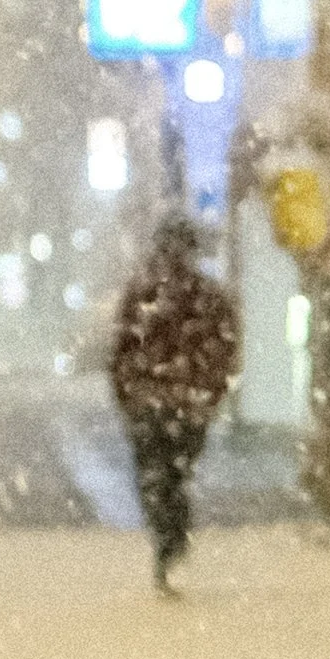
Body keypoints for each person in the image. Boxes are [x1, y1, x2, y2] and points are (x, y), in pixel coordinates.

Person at [108, 214, 238, 591]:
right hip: (184, 403)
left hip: (154, 402)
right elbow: (222, 352)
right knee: (175, 475)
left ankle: (167, 540)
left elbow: (122, 351)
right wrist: (207, 394)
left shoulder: (144, 294)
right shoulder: (205, 296)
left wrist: (130, 394)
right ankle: (171, 540)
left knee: (156, 476)